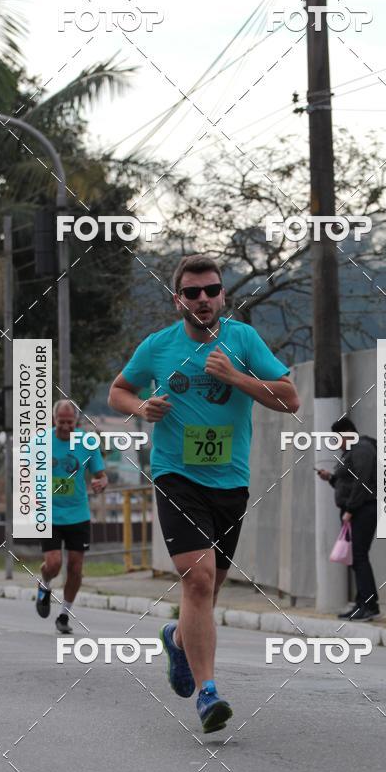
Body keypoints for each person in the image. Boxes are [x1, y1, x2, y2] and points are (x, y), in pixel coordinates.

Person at [108, 253, 300, 733]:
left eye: (211, 290)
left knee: (207, 592)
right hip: (176, 476)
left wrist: (236, 377)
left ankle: (176, 638)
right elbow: (117, 392)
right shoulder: (157, 346)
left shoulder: (243, 341)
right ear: (178, 300)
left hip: (230, 483)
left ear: (222, 296)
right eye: (192, 292)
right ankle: (208, 694)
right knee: (197, 580)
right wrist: (141, 406)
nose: (203, 299)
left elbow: (290, 398)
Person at [35, 400, 108, 633]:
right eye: (61, 422)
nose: (66, 427)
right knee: (54, 564)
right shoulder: (42, 441)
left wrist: (101, 482)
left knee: (76, 568)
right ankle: (44, 584)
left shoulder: (87, 442)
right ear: (54, 420)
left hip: (78, 513)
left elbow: (101, 474)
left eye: (70, 422)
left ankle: (64, 615)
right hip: (50, 513)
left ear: (76, 421)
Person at [317, 416, 379, 621]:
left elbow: (362, 482)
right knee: (355, 557)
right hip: (355, 509)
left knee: (359, 556)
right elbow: (349, 483)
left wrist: (351, 510)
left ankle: (370, 605)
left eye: (338, 438)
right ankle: (361, 602)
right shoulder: (352, 451)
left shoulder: (362, 449)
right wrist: (332, 478)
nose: (337, 442)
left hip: (362, 510)